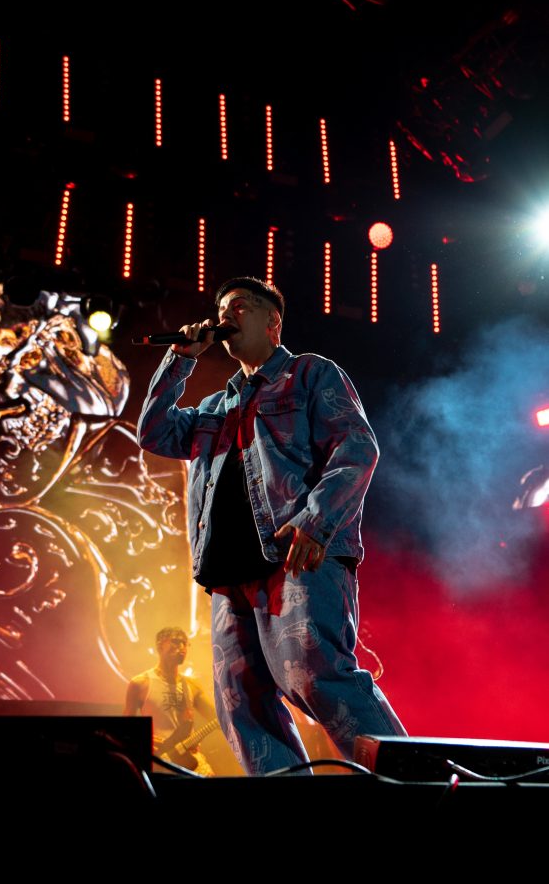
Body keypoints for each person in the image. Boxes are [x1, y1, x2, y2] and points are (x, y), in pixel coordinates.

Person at [137, 276, 406, 775]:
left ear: (272, 322)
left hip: (296, 555)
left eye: (239, 306)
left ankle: (416, 782)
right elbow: (153, 433)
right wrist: (180, 359)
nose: (226, 315)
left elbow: (356, 449)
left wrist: (316, 521)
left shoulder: (310, 374)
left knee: (314, 677)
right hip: (228, 572)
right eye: (222, 308)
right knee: (241, 703)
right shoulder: (214, 408)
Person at [124, 627, 218, 776]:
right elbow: (126, 727)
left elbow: (219, 720)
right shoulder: (140, 683)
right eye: (176, 641)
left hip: (188, 756)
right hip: (157, 759)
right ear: (160, 646)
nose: (182, 647)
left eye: (185, 643)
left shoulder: (192, 685)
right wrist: (143, 739)